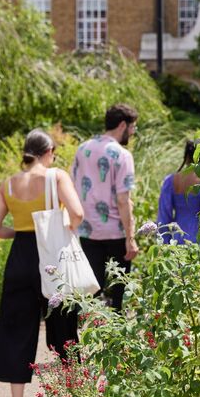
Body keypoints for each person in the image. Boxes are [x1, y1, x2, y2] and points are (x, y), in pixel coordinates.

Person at [0, 129, 84, 397]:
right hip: (51, 255)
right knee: (64, 327)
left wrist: (19, 232)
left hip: (21, 257)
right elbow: (78, 214)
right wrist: (60, 227)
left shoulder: (9, 184)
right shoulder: (56, 177)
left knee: (17, 332)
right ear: (49, 150)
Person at [71, 104, 139, 311]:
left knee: (92, 290)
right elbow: (122, 200)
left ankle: (91, 335)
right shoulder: (122, 155)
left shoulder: (83, 149)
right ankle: (116, 339)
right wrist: (131, 237)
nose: (134, 131)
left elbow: (73, 188)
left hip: (88, 230)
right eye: (133, 127)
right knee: (118, 292)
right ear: (122, 125)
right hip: (115, 232)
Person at [157, 140, 200, 244]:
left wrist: (164, 243)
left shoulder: (171, 181)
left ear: (186, 157)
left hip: (177, 238)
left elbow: (163, 217)